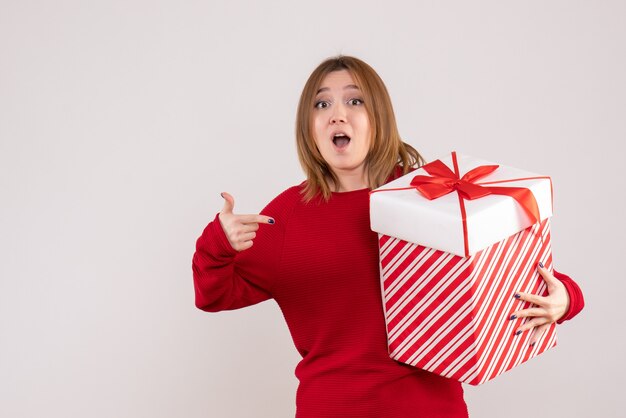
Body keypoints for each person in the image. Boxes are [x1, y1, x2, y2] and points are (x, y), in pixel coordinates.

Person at [192, 56, 585, 418]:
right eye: (322, 104)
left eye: (355, 101)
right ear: (308, 127)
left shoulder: (430, 193)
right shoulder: (286, 216)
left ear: (378, 116)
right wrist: (218, 243)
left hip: (429, 409)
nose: (337, 115)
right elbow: (214, 294)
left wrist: (565, 297)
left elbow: (505, 272)